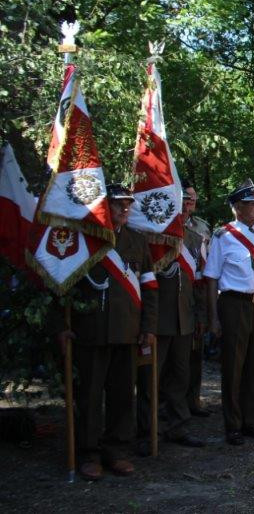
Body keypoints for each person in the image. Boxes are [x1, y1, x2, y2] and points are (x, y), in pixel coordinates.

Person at [58, 183, 158, 480]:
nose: (124, 209)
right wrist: (61, 327)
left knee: (122, 394)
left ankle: (116, 450)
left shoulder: (138, 242)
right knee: (88, 395)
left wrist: (148, 327)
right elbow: (62, 287)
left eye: (128, 204)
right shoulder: (85, 240)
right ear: (105, 206)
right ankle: (89, 453)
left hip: (127, 330)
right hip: (91, 329)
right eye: (118, 204)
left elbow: (150, 287)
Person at [205, 179, 254, 445]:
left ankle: (251, 420)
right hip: (234, 304)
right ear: (237, 208)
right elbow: (211, 277)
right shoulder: (223, 236)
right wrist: (213, 318)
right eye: (251, 204)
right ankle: (232, 425)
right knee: (234, 367)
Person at [137, 182, 206, 450]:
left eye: (189, 200)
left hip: (184, 318)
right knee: (150, 379)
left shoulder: (193, 238)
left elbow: (198, 281)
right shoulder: (150, 235)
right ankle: (147, 431)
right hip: (159, 318)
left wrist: (200, 315)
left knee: (180, 376)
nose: (185, 204)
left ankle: (177, 426)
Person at [182, 184, 213, 418]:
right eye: (185, 198)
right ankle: (170, 404)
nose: (188, 201)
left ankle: (192, 400)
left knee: (195, 351)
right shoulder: (165, 224)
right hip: (177, 294)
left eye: (192, 198)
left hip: (197, 294)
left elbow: (207, 266)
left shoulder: (202, 227)